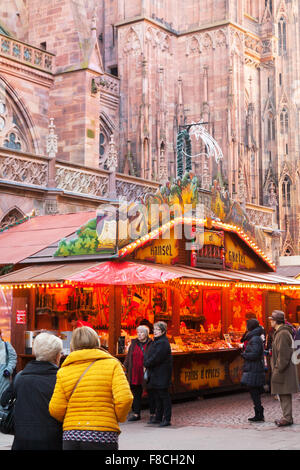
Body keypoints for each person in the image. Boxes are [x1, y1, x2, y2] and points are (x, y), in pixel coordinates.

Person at [49, 326, 133, 450]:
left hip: (72, 435)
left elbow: (55, 408)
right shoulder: (112, 364)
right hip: (103, 434)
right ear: (96, 341)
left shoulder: (64, 370)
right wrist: (116, 417)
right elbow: (125, 398)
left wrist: (71, 419)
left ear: (73, 344)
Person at [2, 332, 63, 450]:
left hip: (22, 441)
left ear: (35, 353)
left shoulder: (20, 377)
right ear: (57, 356)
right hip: (52, 442)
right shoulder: (61, 378)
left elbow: (4, 400)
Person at [269, 310, 299, 427]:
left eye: (272, 319)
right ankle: (286, 417)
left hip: (283, 370)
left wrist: (277, 369)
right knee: (282, 393)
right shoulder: (281, 332)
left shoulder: (282, 334)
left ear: (276, 321)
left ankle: (287, 418)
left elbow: (284, 354)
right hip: (283, 369)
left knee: (284, 393)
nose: (270, 321)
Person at [124, 325, 156, 422]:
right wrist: (124, 367)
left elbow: (153, 357)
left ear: (146, 334)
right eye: (138, 332)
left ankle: (153, 414)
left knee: (151, 393)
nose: (139, 334)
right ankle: (136, 413)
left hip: (146, 372)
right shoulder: (133, 343)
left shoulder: (151, 344)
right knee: (136, 393)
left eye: (141, 332)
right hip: (134, 372)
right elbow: (129, 357)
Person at [144, 321, 173, 427]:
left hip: (162, 374)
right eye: (154, 329)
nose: (155, 331)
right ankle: (158, 417)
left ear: (163, 331)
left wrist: (147, 363)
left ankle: (167, 419)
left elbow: (156, 357)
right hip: (156, 373)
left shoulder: (163, 343)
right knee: (157, 396)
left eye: (157, 330)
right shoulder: (156, 341)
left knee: (164, 396)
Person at [241, 319, 265, 422]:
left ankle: (259, 413)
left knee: (254, 391)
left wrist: (244, 355)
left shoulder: (255, 339)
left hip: (254, 368)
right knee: (254, 391)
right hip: (253, 368)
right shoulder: (254, 337)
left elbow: (255, 354)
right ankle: (259, 412)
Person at [0, 329, 17, 411]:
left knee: (3, 401)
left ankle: (3, 420)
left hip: (3, 379)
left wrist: (8, 370)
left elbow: (13, 358)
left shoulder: (6, 345)